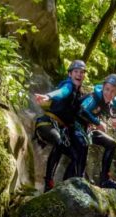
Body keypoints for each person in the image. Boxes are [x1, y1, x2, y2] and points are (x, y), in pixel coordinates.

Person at [34, 60, 87, 192]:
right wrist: (48, 96)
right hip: (47, 123)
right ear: (70, 74)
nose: (79, 75)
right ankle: (48, 182)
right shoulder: (68, 85)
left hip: (62, 129)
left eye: (81, 72)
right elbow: (63, 92)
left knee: (75, 157)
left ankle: (66, 187)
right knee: (58, 142)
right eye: (76, 72)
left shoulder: (79, 93)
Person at [77, 73, 116, 189]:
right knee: (84, 145)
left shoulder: (112, 100)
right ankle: (79, 179)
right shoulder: (95, 97)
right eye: (107, 89)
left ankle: (105, 180)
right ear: (103, 87)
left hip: (88, 129)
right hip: (75, 126)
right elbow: (82, 110)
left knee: (111, 144)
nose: (109, 93)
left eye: (113, 91)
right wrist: (98, 123)